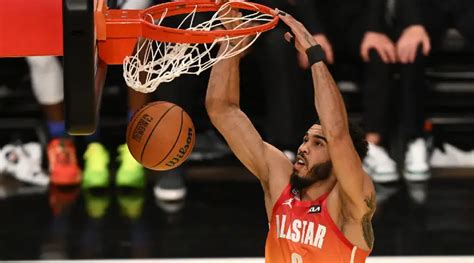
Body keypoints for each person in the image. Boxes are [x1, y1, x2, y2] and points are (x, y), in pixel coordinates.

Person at [205, 5, 376, 263]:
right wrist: (233, 41)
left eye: (318, 143)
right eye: (306, 139)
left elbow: (338, 132)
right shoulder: (280, 183)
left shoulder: (349, 204)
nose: (303, 147)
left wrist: (313, 54)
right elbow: (222, 110)